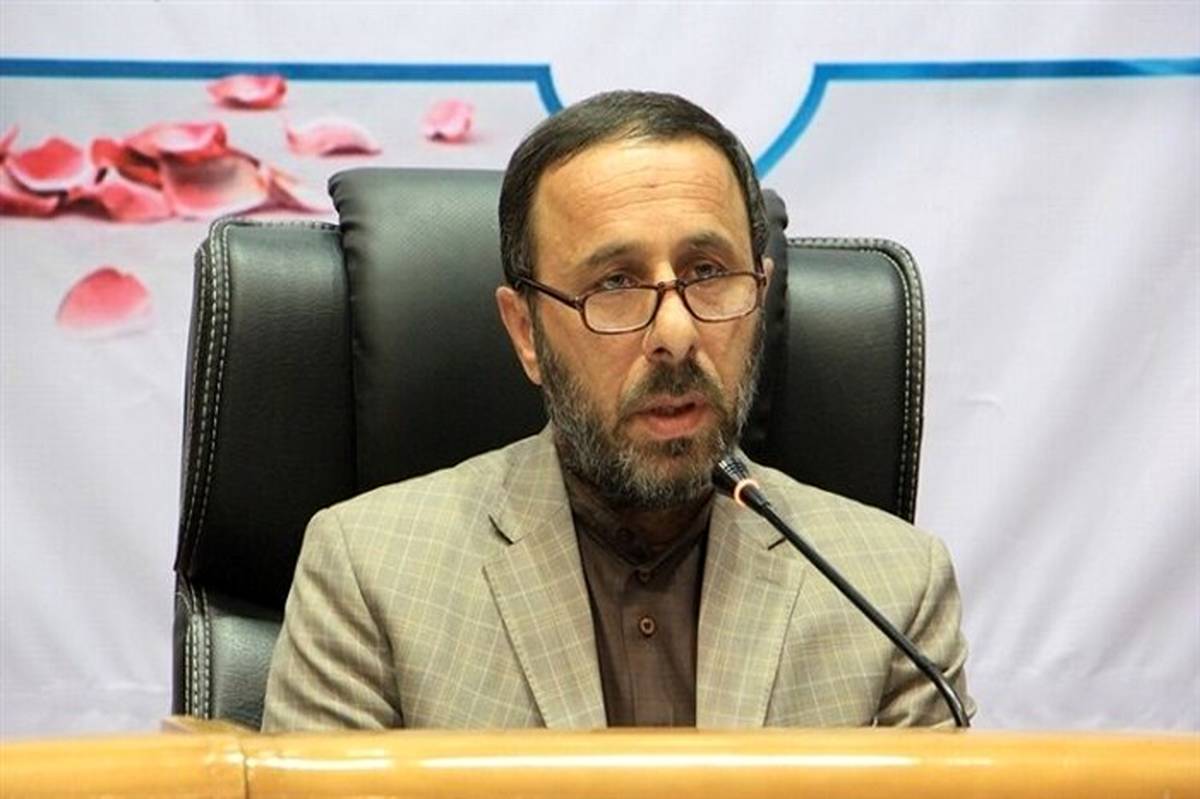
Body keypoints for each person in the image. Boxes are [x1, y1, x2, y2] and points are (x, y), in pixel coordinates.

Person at [262, 90, 974, 730]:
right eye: (615, 284)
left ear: (760, 293)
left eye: (707, 273)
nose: (676, 334)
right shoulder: (371, 573)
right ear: (525, 332)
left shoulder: (890, 592)